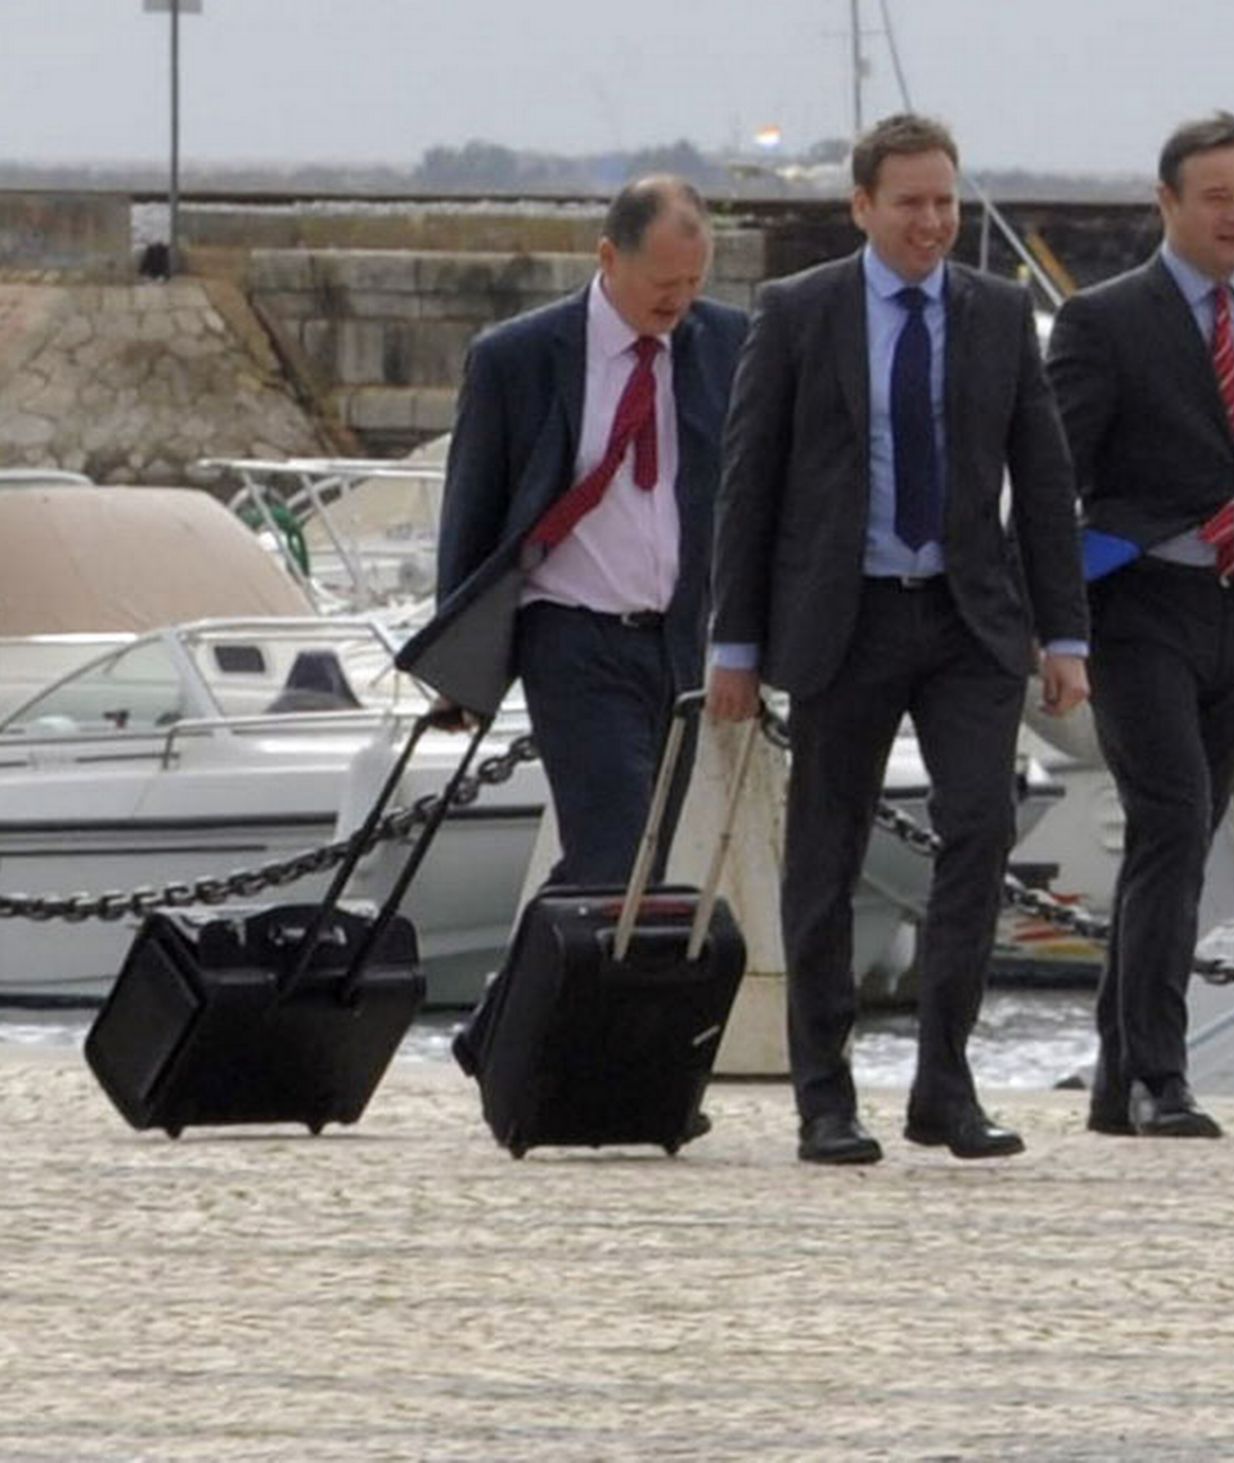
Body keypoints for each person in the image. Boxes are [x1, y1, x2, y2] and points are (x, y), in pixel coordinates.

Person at [708, 113, 1088, 1167]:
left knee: (979, 830)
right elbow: (750, 485)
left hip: (968, 618)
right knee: (823, 858)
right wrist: (733, 644)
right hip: (847, 615)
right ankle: (825, 1096)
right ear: (863, 207)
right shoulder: (799, 313)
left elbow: (1044, 483)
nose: (932, 221)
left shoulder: (1000, 313)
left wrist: (1063, 632)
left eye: (946, 202)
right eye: (911, 202)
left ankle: (944, 1085)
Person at [1048, 112, 1234, 1140]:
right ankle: (1159, 1078)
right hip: (1138, 608)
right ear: (1168, 204)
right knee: (1174, 820)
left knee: (1179, 837)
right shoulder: (1105, 320)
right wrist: (1054, 625)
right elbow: (1054, 481)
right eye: (1216, 196)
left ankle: (1111, 1078)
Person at [398, 176, 746, 889]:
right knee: (610, 854)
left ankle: (528, 1002)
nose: (676, 300)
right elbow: (473, 508)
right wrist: (455, 663)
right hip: (571, 634)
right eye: (660, 282)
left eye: (693, 280)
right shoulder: (517, 359)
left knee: (645, 864)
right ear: (608, 259)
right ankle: (527, 1001)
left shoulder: (727, 344)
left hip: (678, 638)